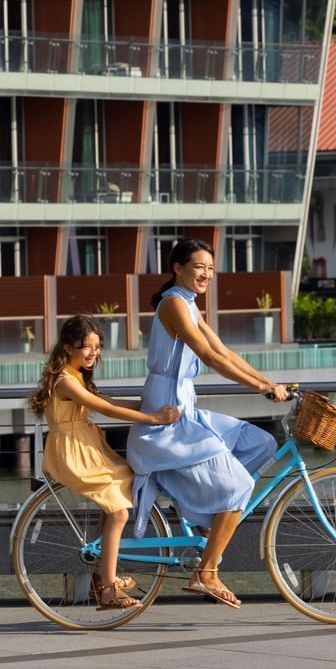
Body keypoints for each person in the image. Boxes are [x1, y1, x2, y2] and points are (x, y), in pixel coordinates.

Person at [127, 238, 291, 609]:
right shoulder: (173, 304)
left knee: (259, 443)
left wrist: (268, 382)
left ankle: (205, 512)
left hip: (186, 407)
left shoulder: (188, 304)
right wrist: (261, 387)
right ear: (178, 268)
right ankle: (207, 572)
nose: (205, 274)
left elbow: (223, 351)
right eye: (199, 267)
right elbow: (207, 357)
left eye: (210, 269)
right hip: (168, 417)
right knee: (240, 487)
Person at [27, 314, 181, 611]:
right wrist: (153, 418)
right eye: (86, 346)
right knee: (119, 512)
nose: (93, 353)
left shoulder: (75, 376)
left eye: (97, 347)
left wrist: (149, 404)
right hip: (73, 452)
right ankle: (107, 589)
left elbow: (106, 399)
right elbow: (105, 407)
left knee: (126, 482)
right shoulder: (65, 382)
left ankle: (103, 570)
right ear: (68, 347)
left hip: (87, 445)